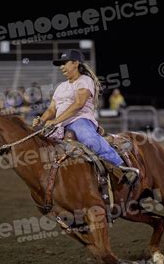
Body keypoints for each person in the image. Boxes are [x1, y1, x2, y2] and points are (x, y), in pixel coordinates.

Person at [32, 49, 139, 185]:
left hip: (79, 120)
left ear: (76, 63)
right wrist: (41, 119)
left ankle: (122, 167)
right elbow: (52, 108)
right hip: (59, 125)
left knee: (89, 140)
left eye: (64, 63)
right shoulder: (61, 87)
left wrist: (55, 121)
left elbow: (78, 104)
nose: (61, 67)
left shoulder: (85, 81)